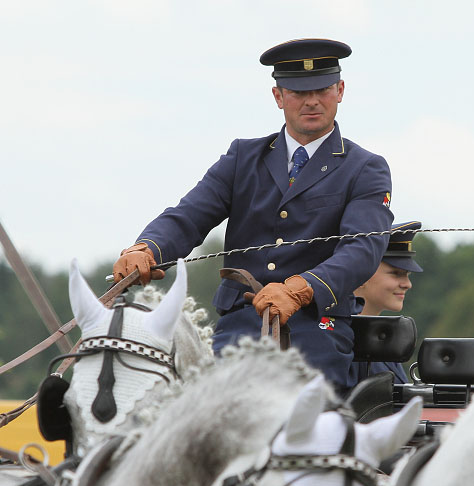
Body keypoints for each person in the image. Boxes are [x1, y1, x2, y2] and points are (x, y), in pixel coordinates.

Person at [112, 38, 393, 394]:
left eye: (322, 89)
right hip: (239, 326)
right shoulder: (243, 157)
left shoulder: (365, 168)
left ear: (340, 90)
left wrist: (301, 289)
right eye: (297, 91)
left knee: (313, 431)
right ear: (278, 97)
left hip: (316, 331)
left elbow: (362, 250)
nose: (311, 101)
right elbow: (190, 215)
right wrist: (147, 248)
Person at [353, 221, 423, 384]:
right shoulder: (341, 341)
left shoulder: (383, 344)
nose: (407, 284)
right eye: (396, 273)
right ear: (361, 272)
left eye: (407, 275)